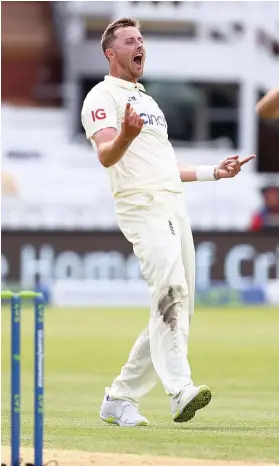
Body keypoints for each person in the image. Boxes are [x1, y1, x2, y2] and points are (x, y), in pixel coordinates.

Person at [81, 18, 256, 427]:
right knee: (170, 291)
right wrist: (124, 135)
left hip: (173, 204)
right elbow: (107, 153)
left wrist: (215, 171)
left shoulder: (147, 103)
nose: (139, 45)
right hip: (140, 204)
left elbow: (166, 165)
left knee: (178, 307)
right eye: (129, 41)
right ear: (111, 53)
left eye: (141, 39)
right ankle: (180, 391)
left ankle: (120, 397)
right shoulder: (102, 95)